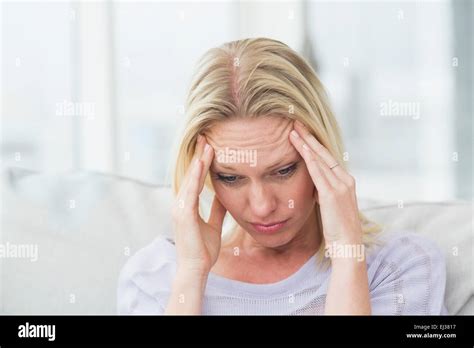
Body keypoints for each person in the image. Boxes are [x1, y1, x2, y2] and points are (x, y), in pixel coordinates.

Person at [117, 38, 447, 315]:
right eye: (230, 178)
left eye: (283, 170)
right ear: (201, 174)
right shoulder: (155, 279)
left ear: (323, 153)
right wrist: (191, 273)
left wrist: (347, 257)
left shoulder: (401, 267)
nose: (261, 207)